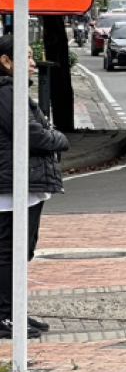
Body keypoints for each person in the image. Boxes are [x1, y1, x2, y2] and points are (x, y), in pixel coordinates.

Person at [0, 35, 69, 339]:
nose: (32, 64)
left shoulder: (13, 92)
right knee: (10, 251)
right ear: (6, 62)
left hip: (21, 183)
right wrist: (59, 139)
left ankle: (14, 312)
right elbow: (34, 135)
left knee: (19, 250)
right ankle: (5, 317)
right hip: (12, 184)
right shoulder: (6, 93)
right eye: (26, 57)